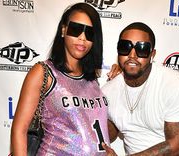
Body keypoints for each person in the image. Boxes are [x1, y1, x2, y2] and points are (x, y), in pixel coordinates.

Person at [10, 3, 119, 155]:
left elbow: (94, 130)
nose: (82, 38)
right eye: (76, 29)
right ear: (63, 30)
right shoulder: (43, 72)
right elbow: (19, 129)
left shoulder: (93, 80)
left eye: (89, 33)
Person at [102, 22, 179, 155]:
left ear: (152, 54)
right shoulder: (108, 91)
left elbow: (178, 144)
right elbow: (107, 135)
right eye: (125, 47)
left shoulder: (175, 85)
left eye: (142, 48)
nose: (132, 55)